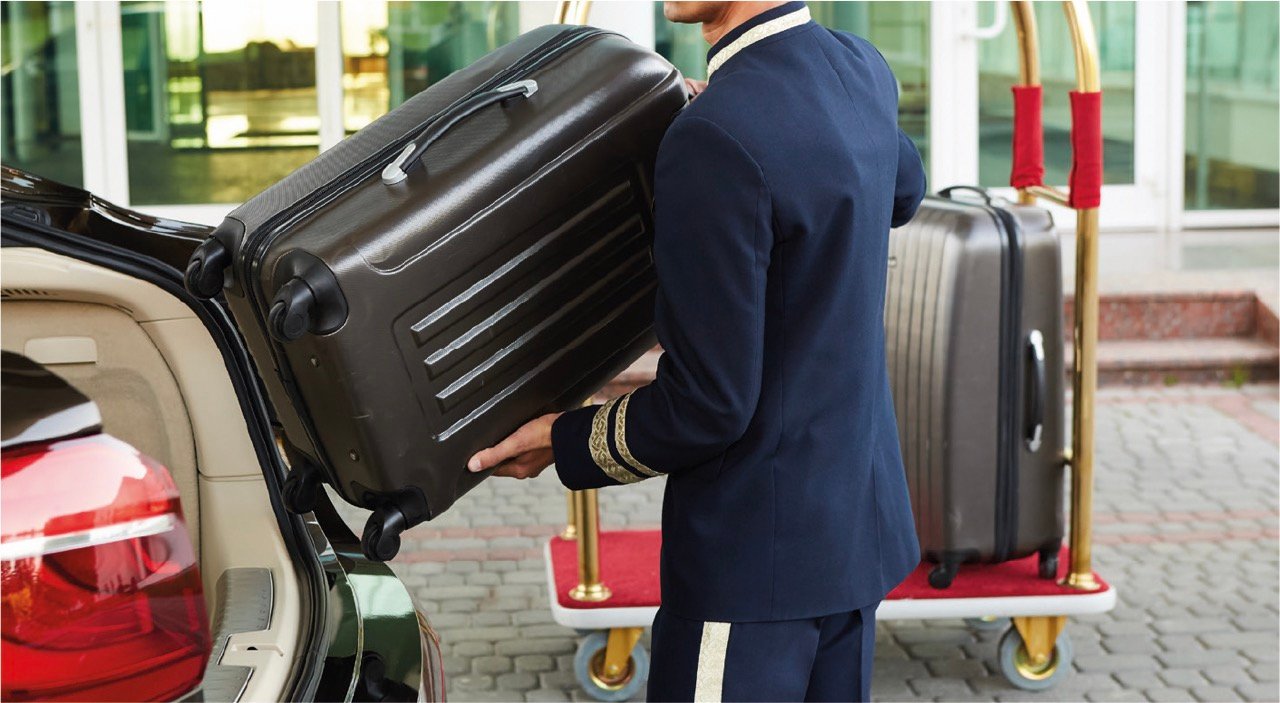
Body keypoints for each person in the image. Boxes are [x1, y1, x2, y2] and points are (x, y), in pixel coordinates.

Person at [467, 2, 926, 700]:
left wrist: (564, 442)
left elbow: (708, 406)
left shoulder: (714, 135)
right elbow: (904, 189)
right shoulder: (860, 69)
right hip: (854, 543)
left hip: (751, 566)